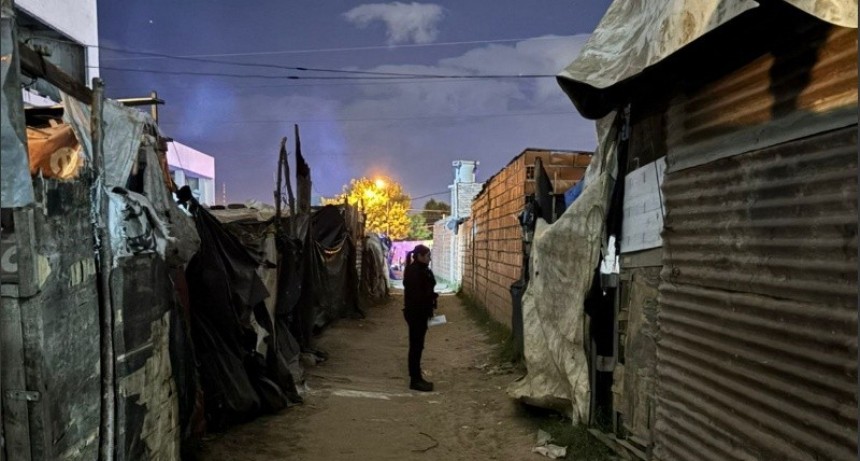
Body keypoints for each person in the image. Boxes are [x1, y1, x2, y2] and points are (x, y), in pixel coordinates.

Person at [402, 244, 438, 392]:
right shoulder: (414, 271)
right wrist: (429, 297)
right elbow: (418, 295)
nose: (429, 259)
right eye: (428, 256)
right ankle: (415, 379)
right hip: (416, 313)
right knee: (416, 346)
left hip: (420, 313)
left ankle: (417, 377)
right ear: (420, 256)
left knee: (418, 345)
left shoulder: (421, 270)